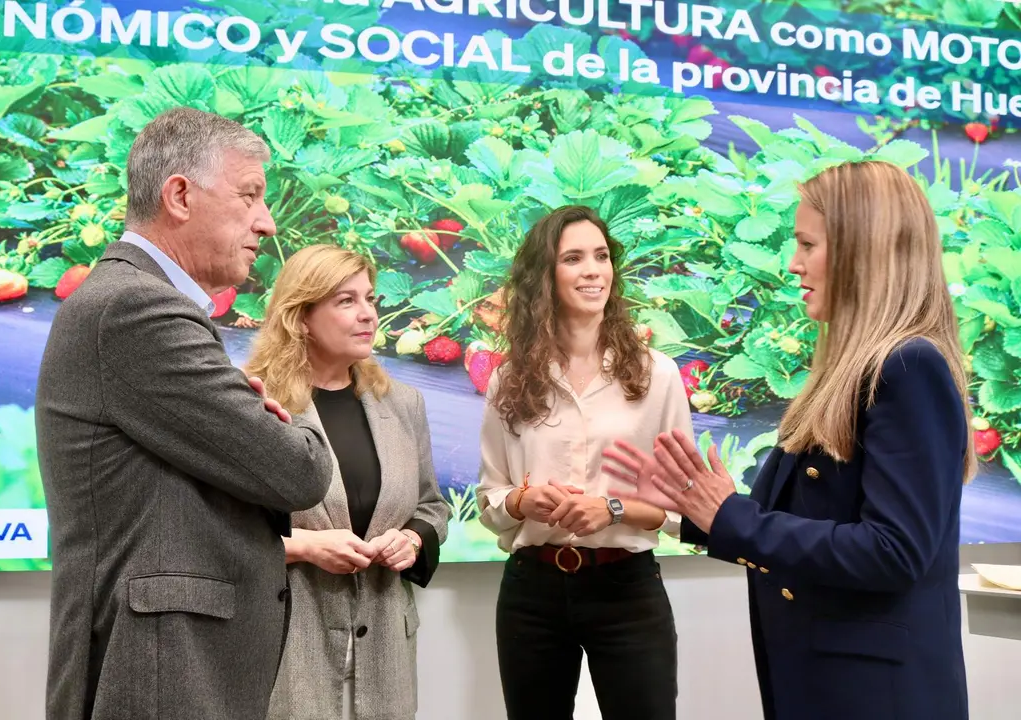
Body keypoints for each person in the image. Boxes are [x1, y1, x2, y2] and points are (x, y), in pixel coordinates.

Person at [603, 160, 973, 720]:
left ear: (861, 250)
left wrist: (734, 518)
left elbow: (893, 552)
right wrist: (704, 512)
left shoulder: (906, 367)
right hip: (829, 681)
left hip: (872, 696)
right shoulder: (858, 370)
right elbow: (828, 520)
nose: (795, 264)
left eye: (807, 244)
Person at [35, 107, 335, 720]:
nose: (268, 222)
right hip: (158, 673)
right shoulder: (139, 310)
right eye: (250, 195)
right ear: (179, 195)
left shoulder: (130, 301)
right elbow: (298, 473)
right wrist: (291, 417)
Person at [475, 205, 694, 720]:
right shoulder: (509, 379)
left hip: (627, 589)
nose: (593, 269)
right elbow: (489, 501)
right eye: (574, 258)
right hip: (532, 592)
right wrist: (522, 500)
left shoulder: (657, 375)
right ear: (544, 277)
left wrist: (613, 509)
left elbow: (686, 508)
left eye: (601, 256)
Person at [248, 244, 451, 720]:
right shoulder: (252, 404)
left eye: (371, 299)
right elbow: (217, 530)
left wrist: (413, 540)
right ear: (300, 317)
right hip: (287, 644)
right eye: (346, 301)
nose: (368, 315)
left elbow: (432, 507)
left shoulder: (403, 404)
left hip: (387, 653)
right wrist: (306, 547)